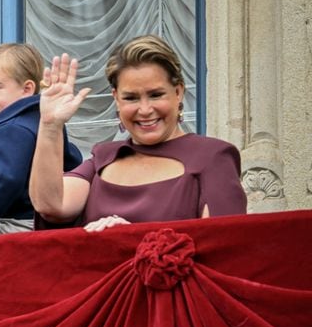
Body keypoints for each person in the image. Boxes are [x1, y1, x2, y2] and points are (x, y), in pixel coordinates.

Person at [29, 35, 247, 231]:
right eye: (131, 98)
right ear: (116, 98)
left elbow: (222, 247)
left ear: (178, 92)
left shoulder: (213, 157)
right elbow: (50, 205)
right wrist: (50, 125)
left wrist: (135, 239)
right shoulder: (103, 158)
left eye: (155, 95)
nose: (144, 110)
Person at [0, 43, 83, 238]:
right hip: (47, 223)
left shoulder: (9, 129)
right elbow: (73, 160)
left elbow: (8, 179)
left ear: (27, 89)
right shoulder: (44, 120)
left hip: (18, 222)